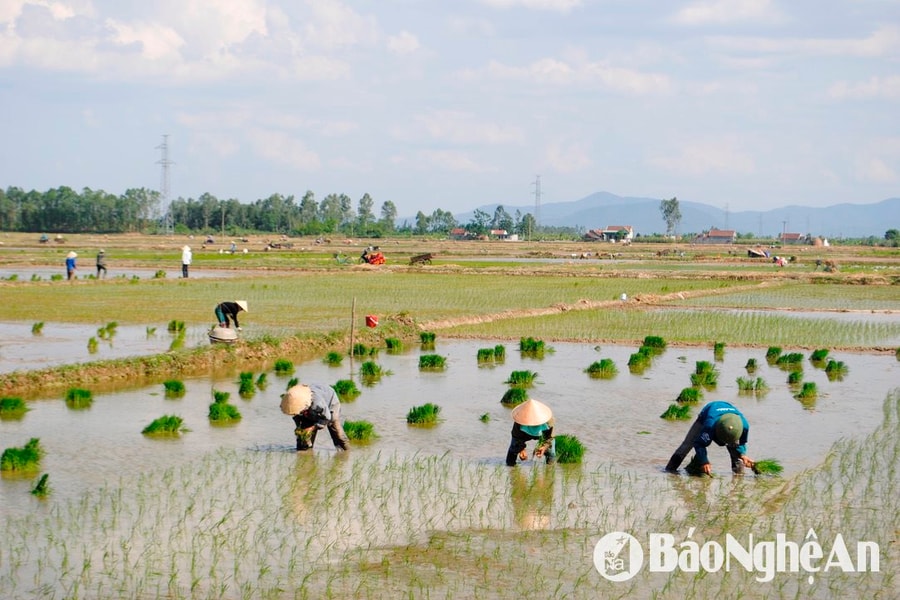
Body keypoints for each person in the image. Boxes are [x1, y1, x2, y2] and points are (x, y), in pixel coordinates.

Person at [665, 400, 754, 475]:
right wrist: (704, 461)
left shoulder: (744, 426)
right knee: (687, 445)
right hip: (707, 414)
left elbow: (741, 443)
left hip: (730, 420)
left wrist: (743, 455)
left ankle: (738, 476)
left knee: (736, 452)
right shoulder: (709, 425)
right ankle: (670, 471)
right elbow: (699, 444)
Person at [280, 383, 350, 451]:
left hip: (330, 403)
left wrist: (312, 428)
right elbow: (298, 420)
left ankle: (346, 451)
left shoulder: (317, 403)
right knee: (303, 439)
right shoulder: (295, 405)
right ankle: (306, 455)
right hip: (310, 409)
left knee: (336, 431)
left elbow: (326, 417)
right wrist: (300, 429)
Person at [505, 398, 555, 466]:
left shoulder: (548, 421)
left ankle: (550, 468)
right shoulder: (519, 422)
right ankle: (510, 467)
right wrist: (521, 449)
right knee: (514, 448)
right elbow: (516, 437)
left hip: (542, 434)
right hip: (524, 434)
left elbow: (549, 438)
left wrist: (544, 447)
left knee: (550, 451)